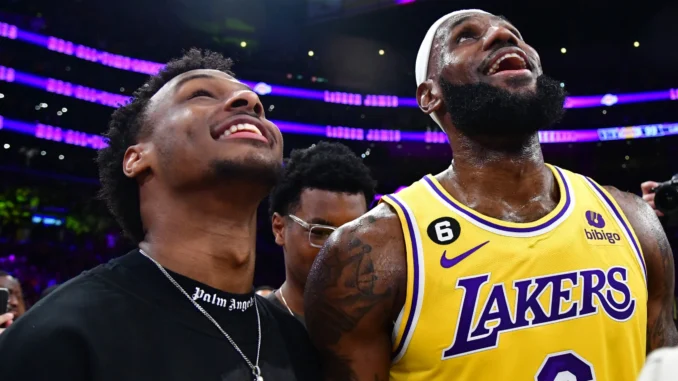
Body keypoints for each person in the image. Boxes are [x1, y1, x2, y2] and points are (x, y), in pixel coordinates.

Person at [305, 9, 678, 381]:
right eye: (465, 36)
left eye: (514, 31)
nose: (502, 34)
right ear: (430, 95)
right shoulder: (376, 250)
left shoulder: (632, 219)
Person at [0, 48, 319, 381]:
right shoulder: (60, 338)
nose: (249, 101)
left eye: (257, 103)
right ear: (136, 158)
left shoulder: (300, 344)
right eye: (201, 94)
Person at [267, 141, 376, 324]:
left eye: (354, 233)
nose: (339, 249)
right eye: (321, 232)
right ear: (280, 229)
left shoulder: (387, 331)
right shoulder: (254, 329)